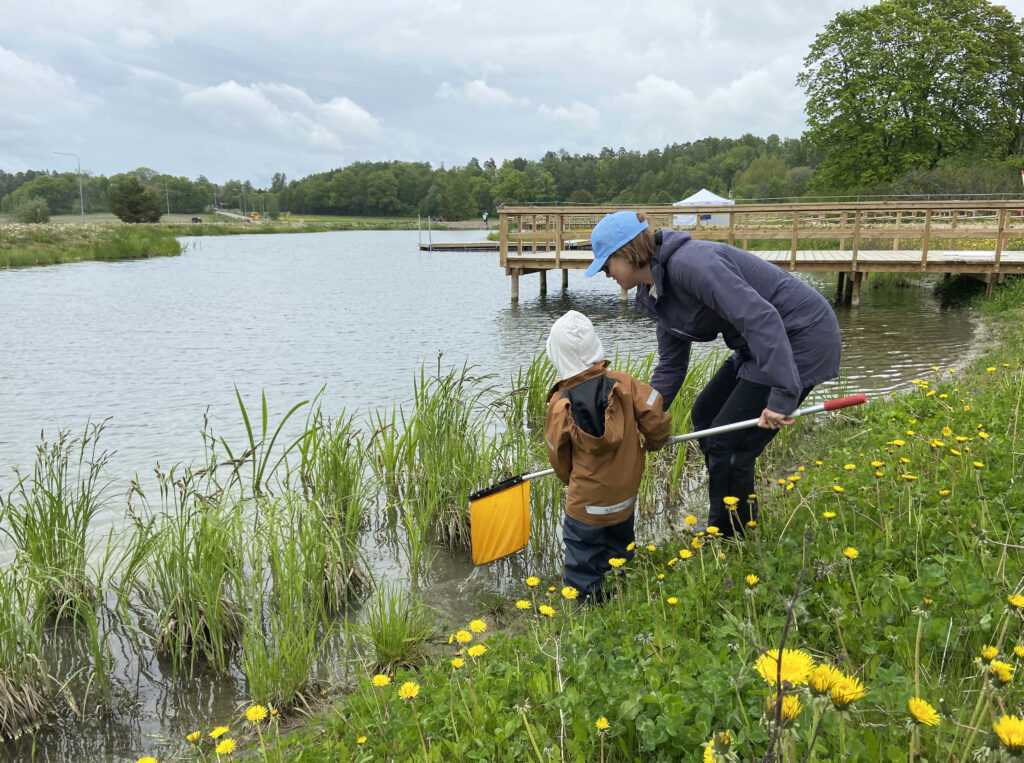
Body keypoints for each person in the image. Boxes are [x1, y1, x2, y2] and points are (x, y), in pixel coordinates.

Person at [584, 211, 841, 537]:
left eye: (606, 265)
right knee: (705, 417)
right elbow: (671, 366)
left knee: (728, 443)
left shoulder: (693, 265)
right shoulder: (654, 293)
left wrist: (783, 395)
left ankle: (731, 536)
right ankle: (729, 518)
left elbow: (761, 318)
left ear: (628, 252)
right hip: (756, 346)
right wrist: (638, 418)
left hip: (800, 338)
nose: (606, 274)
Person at [544, 310, 672, 601]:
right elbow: (655, 415)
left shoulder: (559, 404)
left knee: (582, 565)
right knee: (620, 552)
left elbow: (559, 458)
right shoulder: (625, 383)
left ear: (557, 354)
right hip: (624, 500)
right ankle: (621, 603)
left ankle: (587, 614)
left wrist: (570, 479)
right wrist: (654, 441)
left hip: (585, 507)